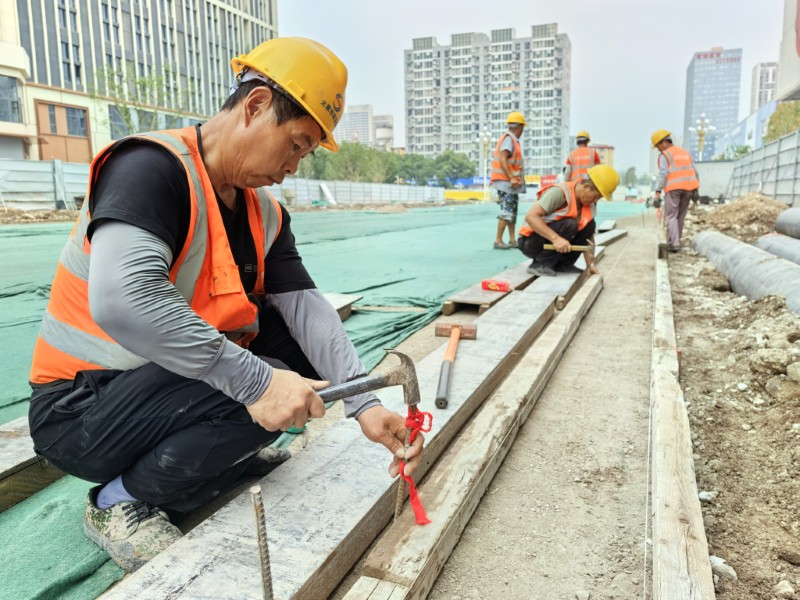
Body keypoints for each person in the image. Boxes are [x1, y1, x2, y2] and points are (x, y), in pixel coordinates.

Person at [26, 37, 424, 573]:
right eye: (295, 144)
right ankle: (116, 499)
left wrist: (363, 403)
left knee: (297, 360)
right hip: (80, 410)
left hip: (158, 385)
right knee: (266, 382)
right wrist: (257, 383)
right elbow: (124, 299)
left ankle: (218, 457)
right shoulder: (151, 168)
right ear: (255, 105)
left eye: (305, 153)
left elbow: (307, 310)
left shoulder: (264, 211)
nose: (294, 166)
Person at [517, 165, 620, 277]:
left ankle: (564, 264)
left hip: (549, 241)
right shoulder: (559, 193)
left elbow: (588, 239)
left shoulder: (589, 206)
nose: (595, 201)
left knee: (590, 225)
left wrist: (590, 264)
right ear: (586, 187)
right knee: (570, 225)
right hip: (530, 242)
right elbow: (531, 216)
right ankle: (540, 264)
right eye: (595, 196)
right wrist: (556, 239)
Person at [651, 129, 700, 252]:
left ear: (663, 143)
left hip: (673, 188)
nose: (658, 149)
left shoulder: (665, 155)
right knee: (680, 216)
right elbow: (695, 171)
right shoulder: (685, 152)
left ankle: (674, 244)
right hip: (689, 188)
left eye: (658, 146)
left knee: (671, 216)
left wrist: (658, 191)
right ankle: (676, 240)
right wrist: (696, 189)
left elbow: (663, 173)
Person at [491, 112, 527, 249]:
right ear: (519, 127)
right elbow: (503, 159)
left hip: (510, 185)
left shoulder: (512, 140)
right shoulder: (508, 139)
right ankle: (498, 241)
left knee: (512, 212)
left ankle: (512, 240)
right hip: (506, 183)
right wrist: (511, 177)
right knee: (507, 212)